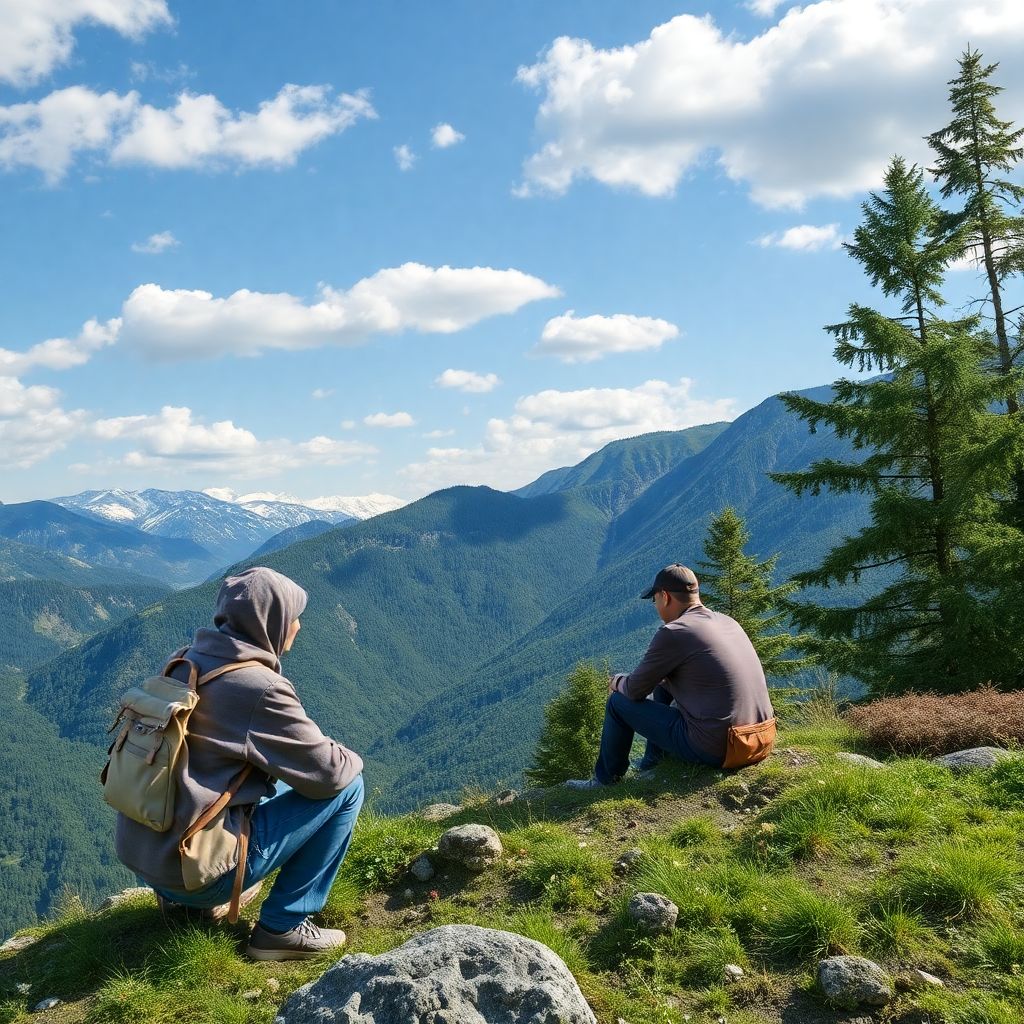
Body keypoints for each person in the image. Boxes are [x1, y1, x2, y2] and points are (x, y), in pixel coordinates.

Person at [115, 566, 365, 961]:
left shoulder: (184, 661)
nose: (298, 626)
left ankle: (186, 906)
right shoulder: (258, 687)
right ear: (274, 621)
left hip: (148, 858)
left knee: (282, 783)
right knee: (349, 787)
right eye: (294, 617)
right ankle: (282, 929)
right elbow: (329, 774)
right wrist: (350, 755)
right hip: (191, 874)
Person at [565, 563, 775, 789]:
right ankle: (652, 765)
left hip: (720, 748)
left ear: (664, 597)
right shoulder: (727, 621)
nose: (656, 606)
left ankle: (605, 780)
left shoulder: (675, 632)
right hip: (760, 740)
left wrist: (617, 681)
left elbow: (635, 690)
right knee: (663, 681)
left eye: (654, 600)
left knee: (618, 702)